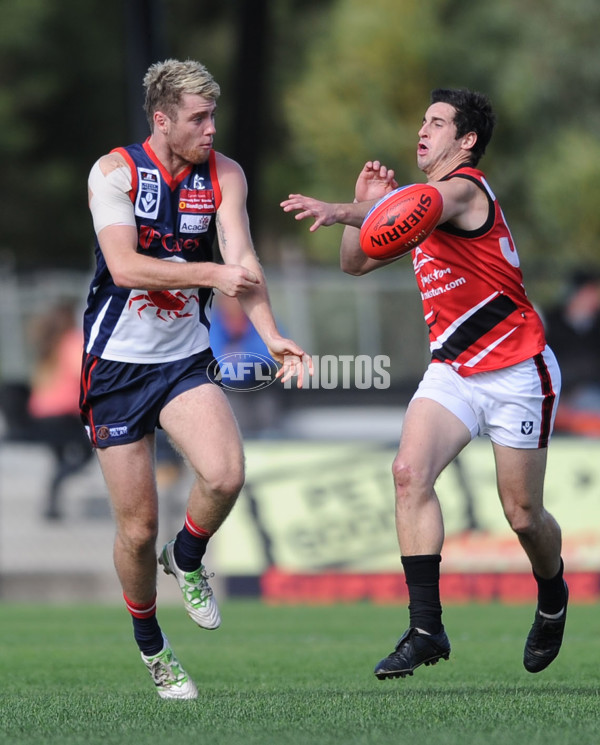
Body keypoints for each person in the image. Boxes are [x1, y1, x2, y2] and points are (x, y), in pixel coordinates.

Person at [281, 88, 567, 679]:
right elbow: (354, 264)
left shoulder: (464, 189)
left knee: (521, 515)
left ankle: (553, 592)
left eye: (437, 123)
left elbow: (414, 210)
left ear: (465, 141)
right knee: (409, 473)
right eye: (422, 120)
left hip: (516, 368)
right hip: (454, 369)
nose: (423, 130)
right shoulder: (416, 205)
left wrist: (341, 208)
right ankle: (425, 628)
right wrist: (365, 205)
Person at [81, 58, 311, 699]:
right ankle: (153, 647)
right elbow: (125, 268)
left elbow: (242, 259)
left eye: (214, 115)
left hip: (183, 359)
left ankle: (185, 558)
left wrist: (272, 337)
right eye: (198, 118)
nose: (212, 128)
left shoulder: (226, 175)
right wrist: (210, 275)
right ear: (161, 119)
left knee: (226, 474)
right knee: (136, 527)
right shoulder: (114, 172)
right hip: (116, 367)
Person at [543, 270, 600, 436]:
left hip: (589, 394)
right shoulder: (550, 322)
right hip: (555, 396)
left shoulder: (596, 327)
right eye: (590, 292)